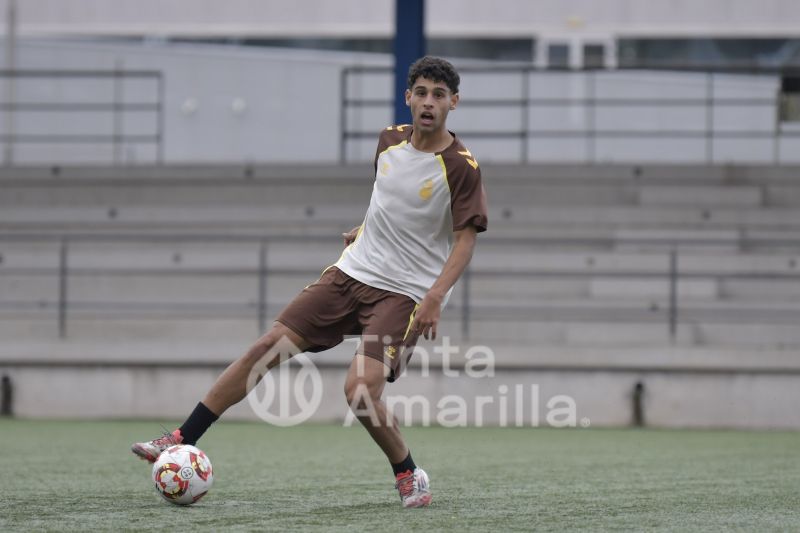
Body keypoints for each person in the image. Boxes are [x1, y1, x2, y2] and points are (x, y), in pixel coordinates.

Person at [131, 56, 488, 509]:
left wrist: (436, 296)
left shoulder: (461, 166)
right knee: (268, 346)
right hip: (351, 272)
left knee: (359, 391)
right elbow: (388, 200)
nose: (428, 102)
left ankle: (408, 472)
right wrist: (366, 229)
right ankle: (181, 437)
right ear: (408, 97)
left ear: (453, 103)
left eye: (439, 95)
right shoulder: (388, 141)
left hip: (403, 294)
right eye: (421, 92)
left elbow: (464, 240)